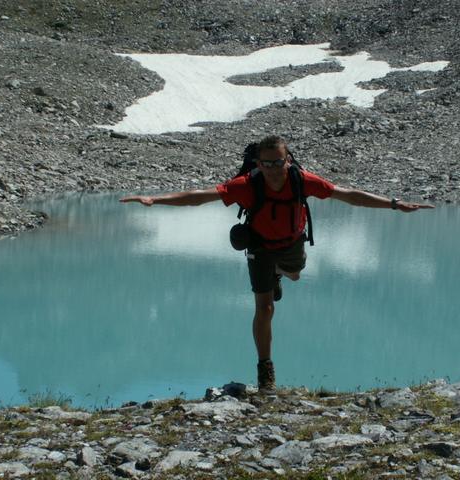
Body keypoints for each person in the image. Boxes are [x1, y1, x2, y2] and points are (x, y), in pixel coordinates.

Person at [120, 135, 433, 392]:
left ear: (288, 161)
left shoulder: (302, 180)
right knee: (265, 308)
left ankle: (281, 273)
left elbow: (348, 195)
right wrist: (155, 200)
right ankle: (265, 370)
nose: (272, 169)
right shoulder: (247, 184)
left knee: (296, 273)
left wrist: (394, 205)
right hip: (259, 247)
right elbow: (199, 196)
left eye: (277, 162)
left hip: (292, 244)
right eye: (265, 163)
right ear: (258, 163)